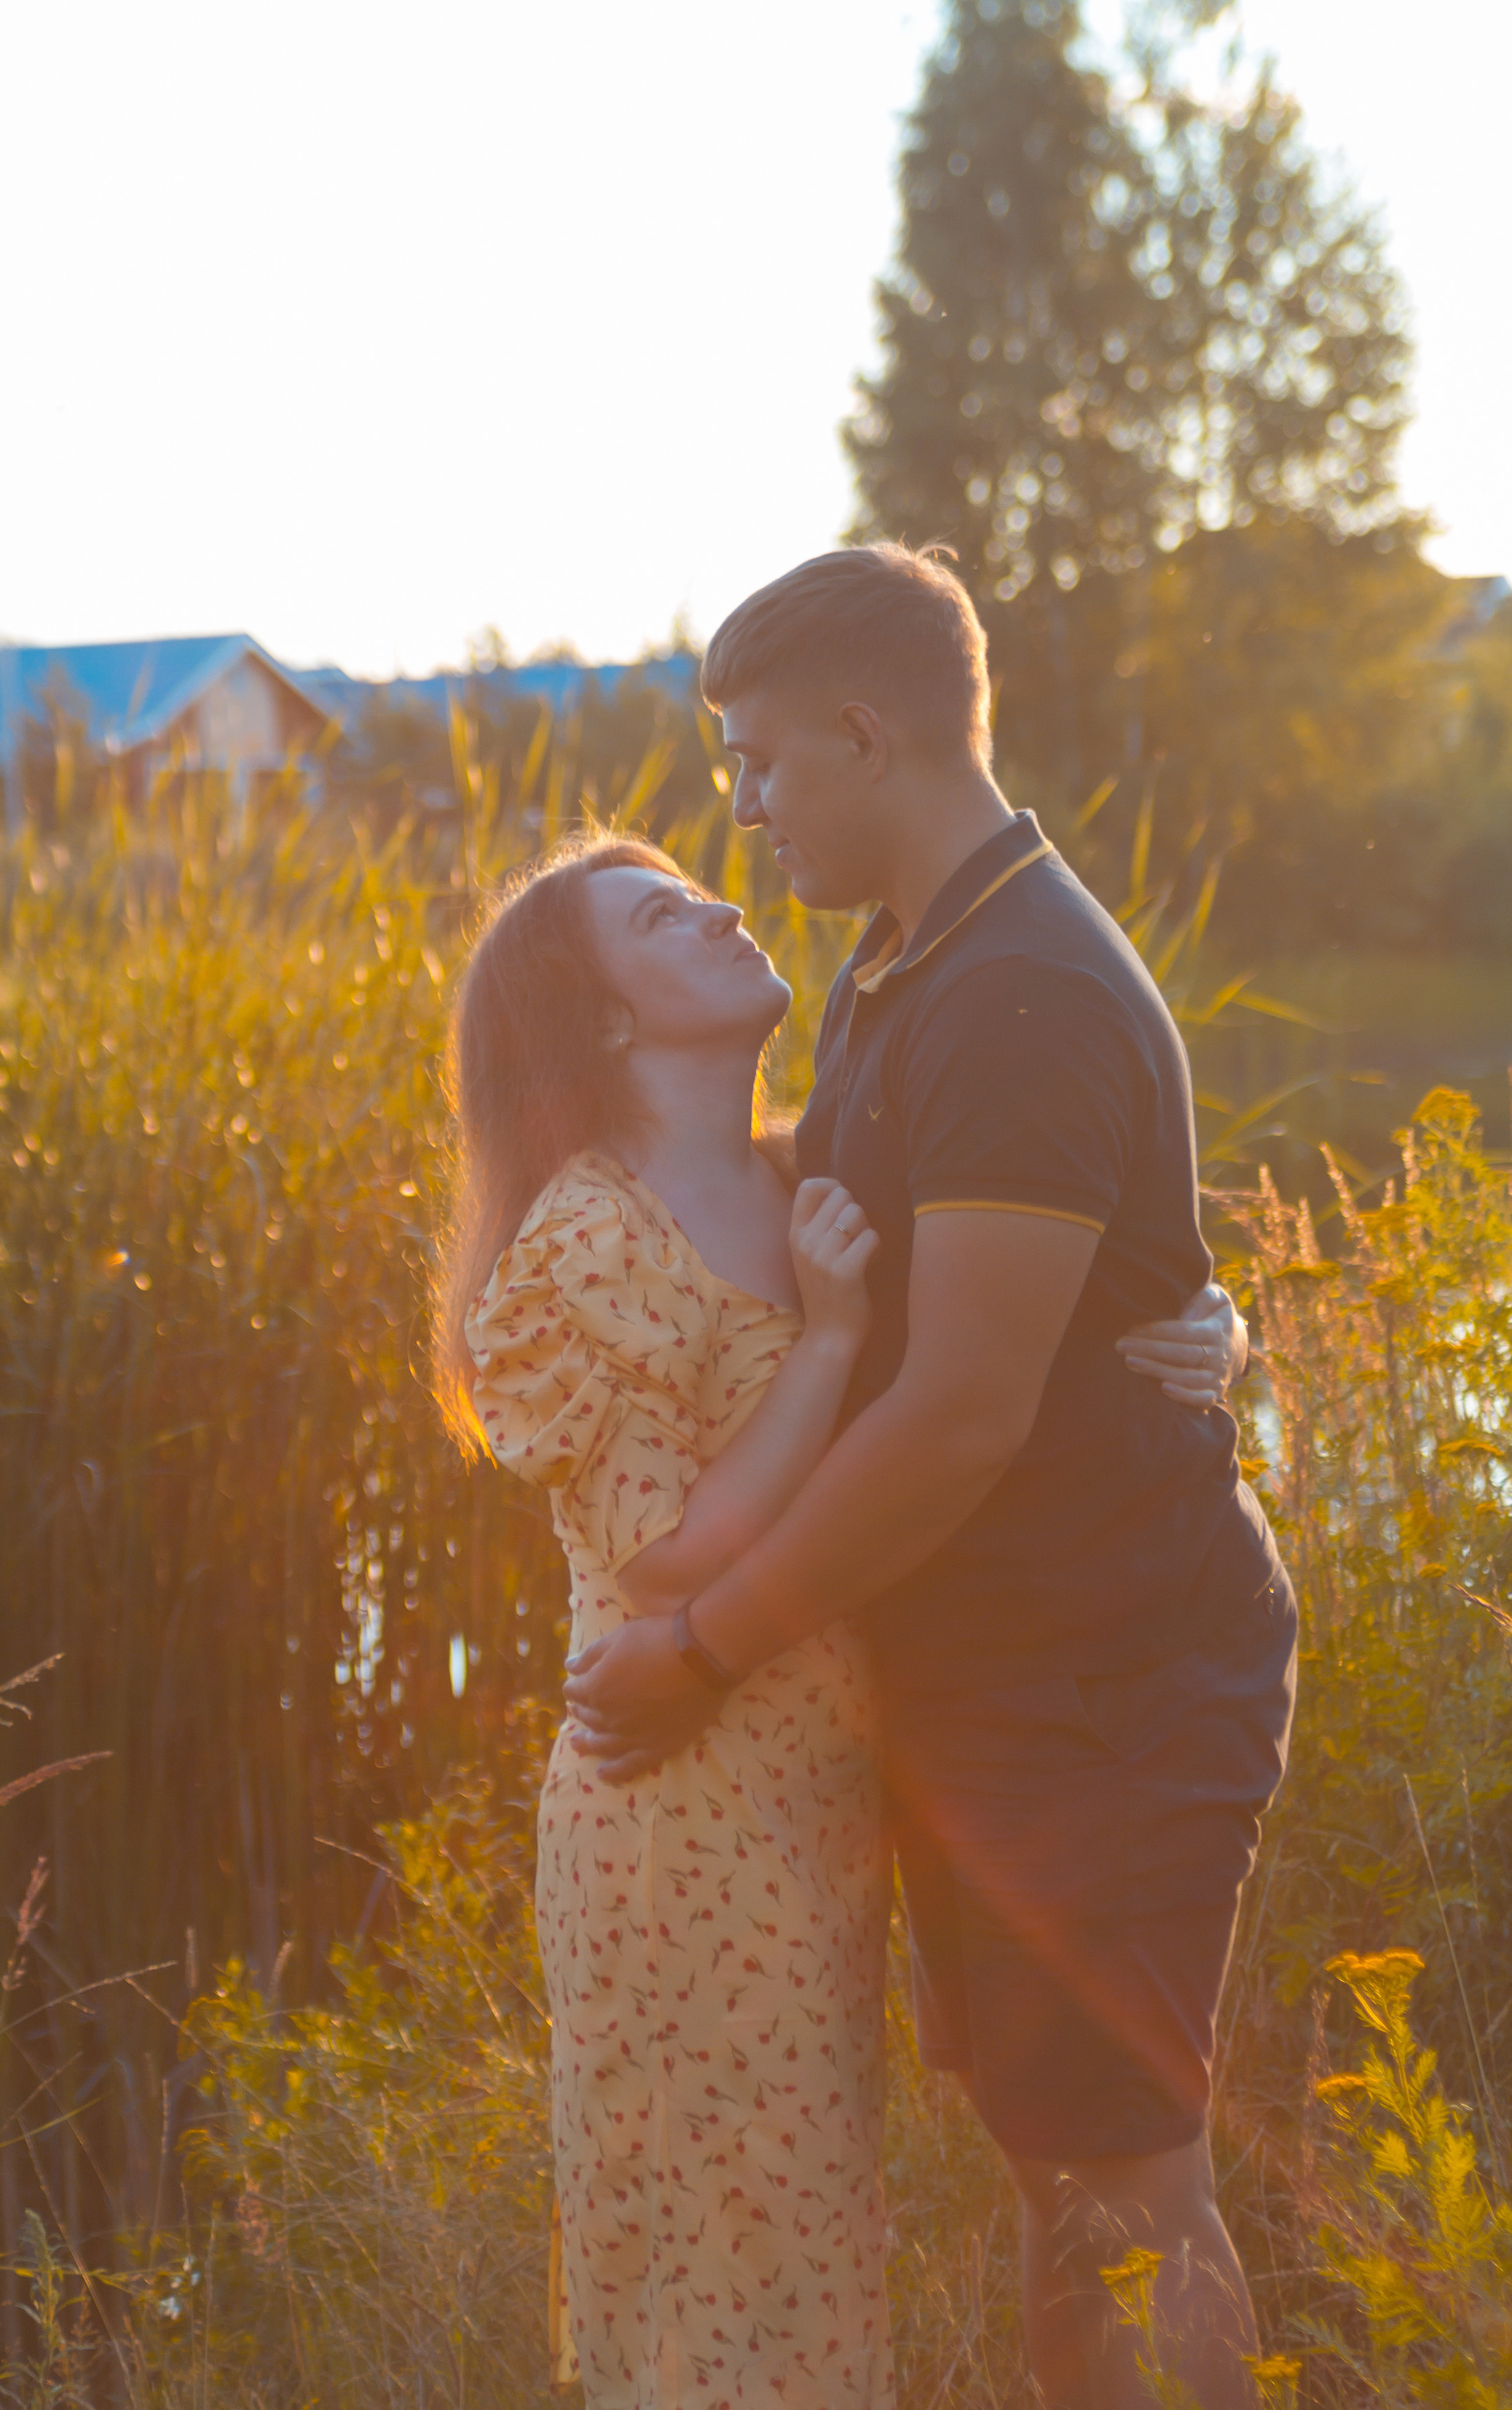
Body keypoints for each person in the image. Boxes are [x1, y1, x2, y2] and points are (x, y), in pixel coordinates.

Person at [564, 546, 1297, 2410]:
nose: (742, 808)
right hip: (1004, 1679)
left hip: (1103, 1676)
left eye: (756, 762)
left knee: (1126, 2193)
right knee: (1061, 2179)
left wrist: (707, 1645)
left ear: (862, 733)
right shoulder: (906, 968)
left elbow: (961, 1410)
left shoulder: (1016, 992)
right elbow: (926, 1256)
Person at [436, 823, 1247, 2410]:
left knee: (810, 2222)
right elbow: (665, 1564)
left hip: (825, 1781)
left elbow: (1017, 1294)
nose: (719, 905)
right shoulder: (586, 1240)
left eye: (698, 886)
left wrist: (1196, 1329)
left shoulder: (805, 1170)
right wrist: (826, 1342)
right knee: (722, 2249)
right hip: (681, 1796)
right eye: (661, 917)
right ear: (602, 1019)